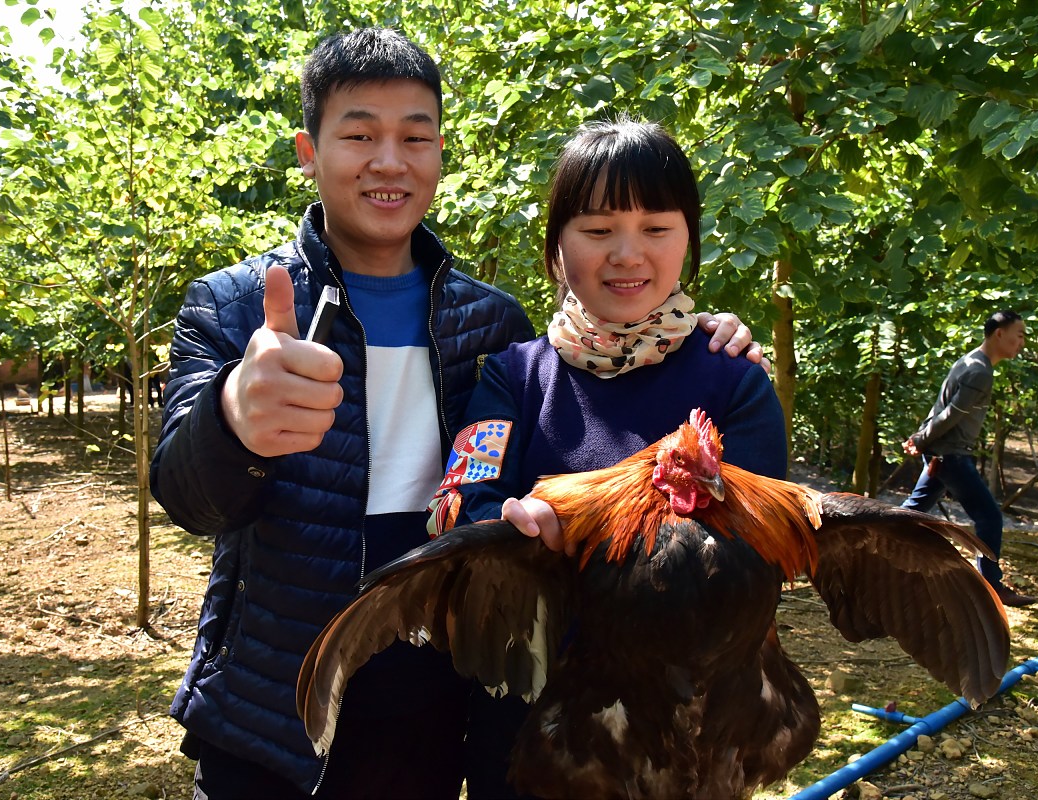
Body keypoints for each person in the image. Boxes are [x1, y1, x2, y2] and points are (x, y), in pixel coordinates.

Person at [150, 30, 765, 800]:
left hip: (434, 702)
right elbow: (186, 494)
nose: (389, 161)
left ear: (441, 151)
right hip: (273, 704)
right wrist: (231, 418)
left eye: (415, 137)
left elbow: (563, 411)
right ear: (309, 151)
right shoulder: (236, 305)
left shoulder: (490, 325)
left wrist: (709, 342)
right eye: (359, 134)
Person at [426, 118, 789, 799]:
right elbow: (459, 505)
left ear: (690, 241)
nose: (628, 253)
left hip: (690, 737)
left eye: (657, 228)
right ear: (558, 249)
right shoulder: (514, 376)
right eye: (597, 231)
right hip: (531, 724)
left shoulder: (733, 380)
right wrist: (514, 526)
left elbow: (760, 558)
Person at [900, 310, 1037, 607]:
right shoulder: (979, 371)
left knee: (908, 515)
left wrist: (921, 438)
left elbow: (942, 410)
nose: (1022, 342)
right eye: (1020, 335)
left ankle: (866, 552)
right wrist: (921, 439)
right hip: (950, 456)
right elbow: (950, 415)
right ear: (999, 333)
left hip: (941, 454)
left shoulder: (970, 361)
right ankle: (990, 586)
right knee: (989, 517)